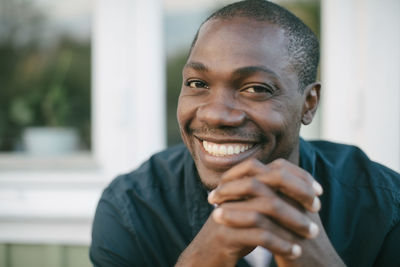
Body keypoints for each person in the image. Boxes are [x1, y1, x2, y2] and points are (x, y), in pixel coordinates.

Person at [90, 1, 400, 266]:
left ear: (308, 104)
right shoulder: (133, 208)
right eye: (198, 84)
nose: (215, 114)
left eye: (256, 89)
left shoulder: (385, 207)